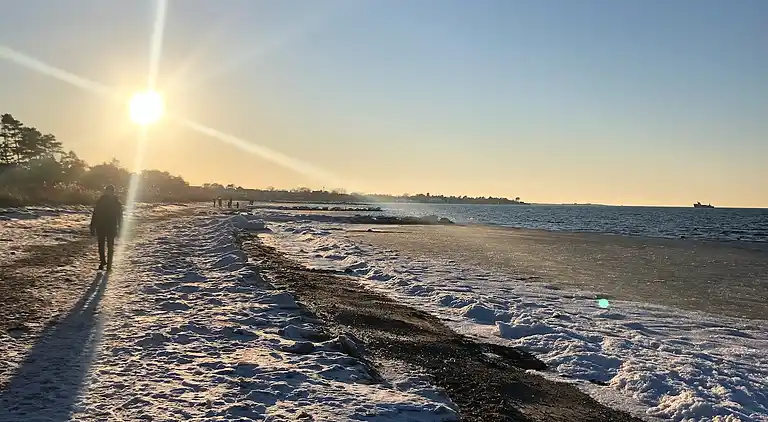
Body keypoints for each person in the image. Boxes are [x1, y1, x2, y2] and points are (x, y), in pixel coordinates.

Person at [90, 185, 123, 271]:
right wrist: (92, 226)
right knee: (101, 246)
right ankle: (103, 262)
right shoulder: (101, 201)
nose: (109, 193)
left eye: (110, 191)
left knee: (110, 246)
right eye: (108, 191)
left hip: (111, 226)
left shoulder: (116, 203)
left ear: (113, 192)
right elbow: (95, 214)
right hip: (101, 226)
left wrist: (120, 227)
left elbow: (120, 216)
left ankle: (109, 265)